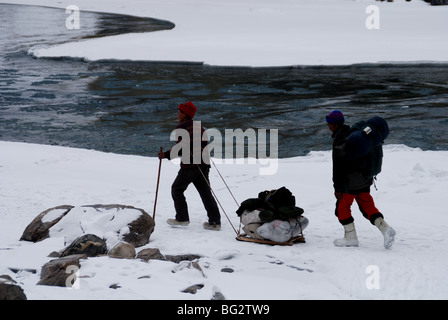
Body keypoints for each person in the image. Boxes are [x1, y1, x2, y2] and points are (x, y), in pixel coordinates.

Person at [326, 110, 396, 248]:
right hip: (364, 178)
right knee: (367, 206)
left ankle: (350, 238)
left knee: (342, 207)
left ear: (332, 125)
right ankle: (386, 229)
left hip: (350, 182)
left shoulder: (340, 140)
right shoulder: (353, 133)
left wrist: (338, 188)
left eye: (328, 123)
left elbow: (338, 167)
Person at [158, 102, 221, 231]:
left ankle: (182, 219)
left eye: (179, 112)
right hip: (204, 164)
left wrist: (165, 155)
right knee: (205, 192)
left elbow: (180, 149)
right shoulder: (200, 127)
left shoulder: (182, 129)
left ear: (184, 114)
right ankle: (215, 222)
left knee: (177, 189)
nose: (177, 114)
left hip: (191, 166)